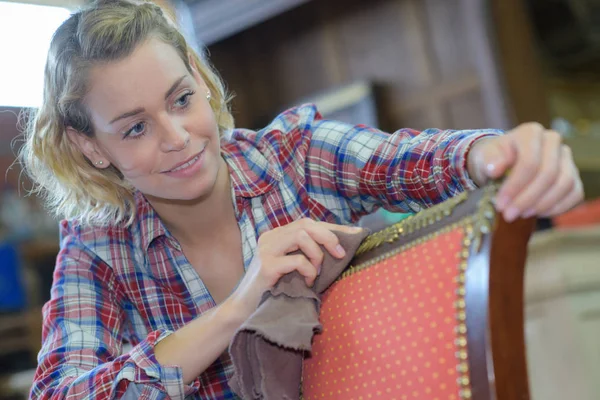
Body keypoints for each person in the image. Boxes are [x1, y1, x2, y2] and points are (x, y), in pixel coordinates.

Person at [19, 0, 583, 398]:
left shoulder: (290, 156)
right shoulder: (97, 249)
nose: (178, 137)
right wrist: (238, 306)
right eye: (135, 129)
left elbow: (416, 162)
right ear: (89, 146)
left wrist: (502, 153)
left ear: (198, 77)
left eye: (181, 99)